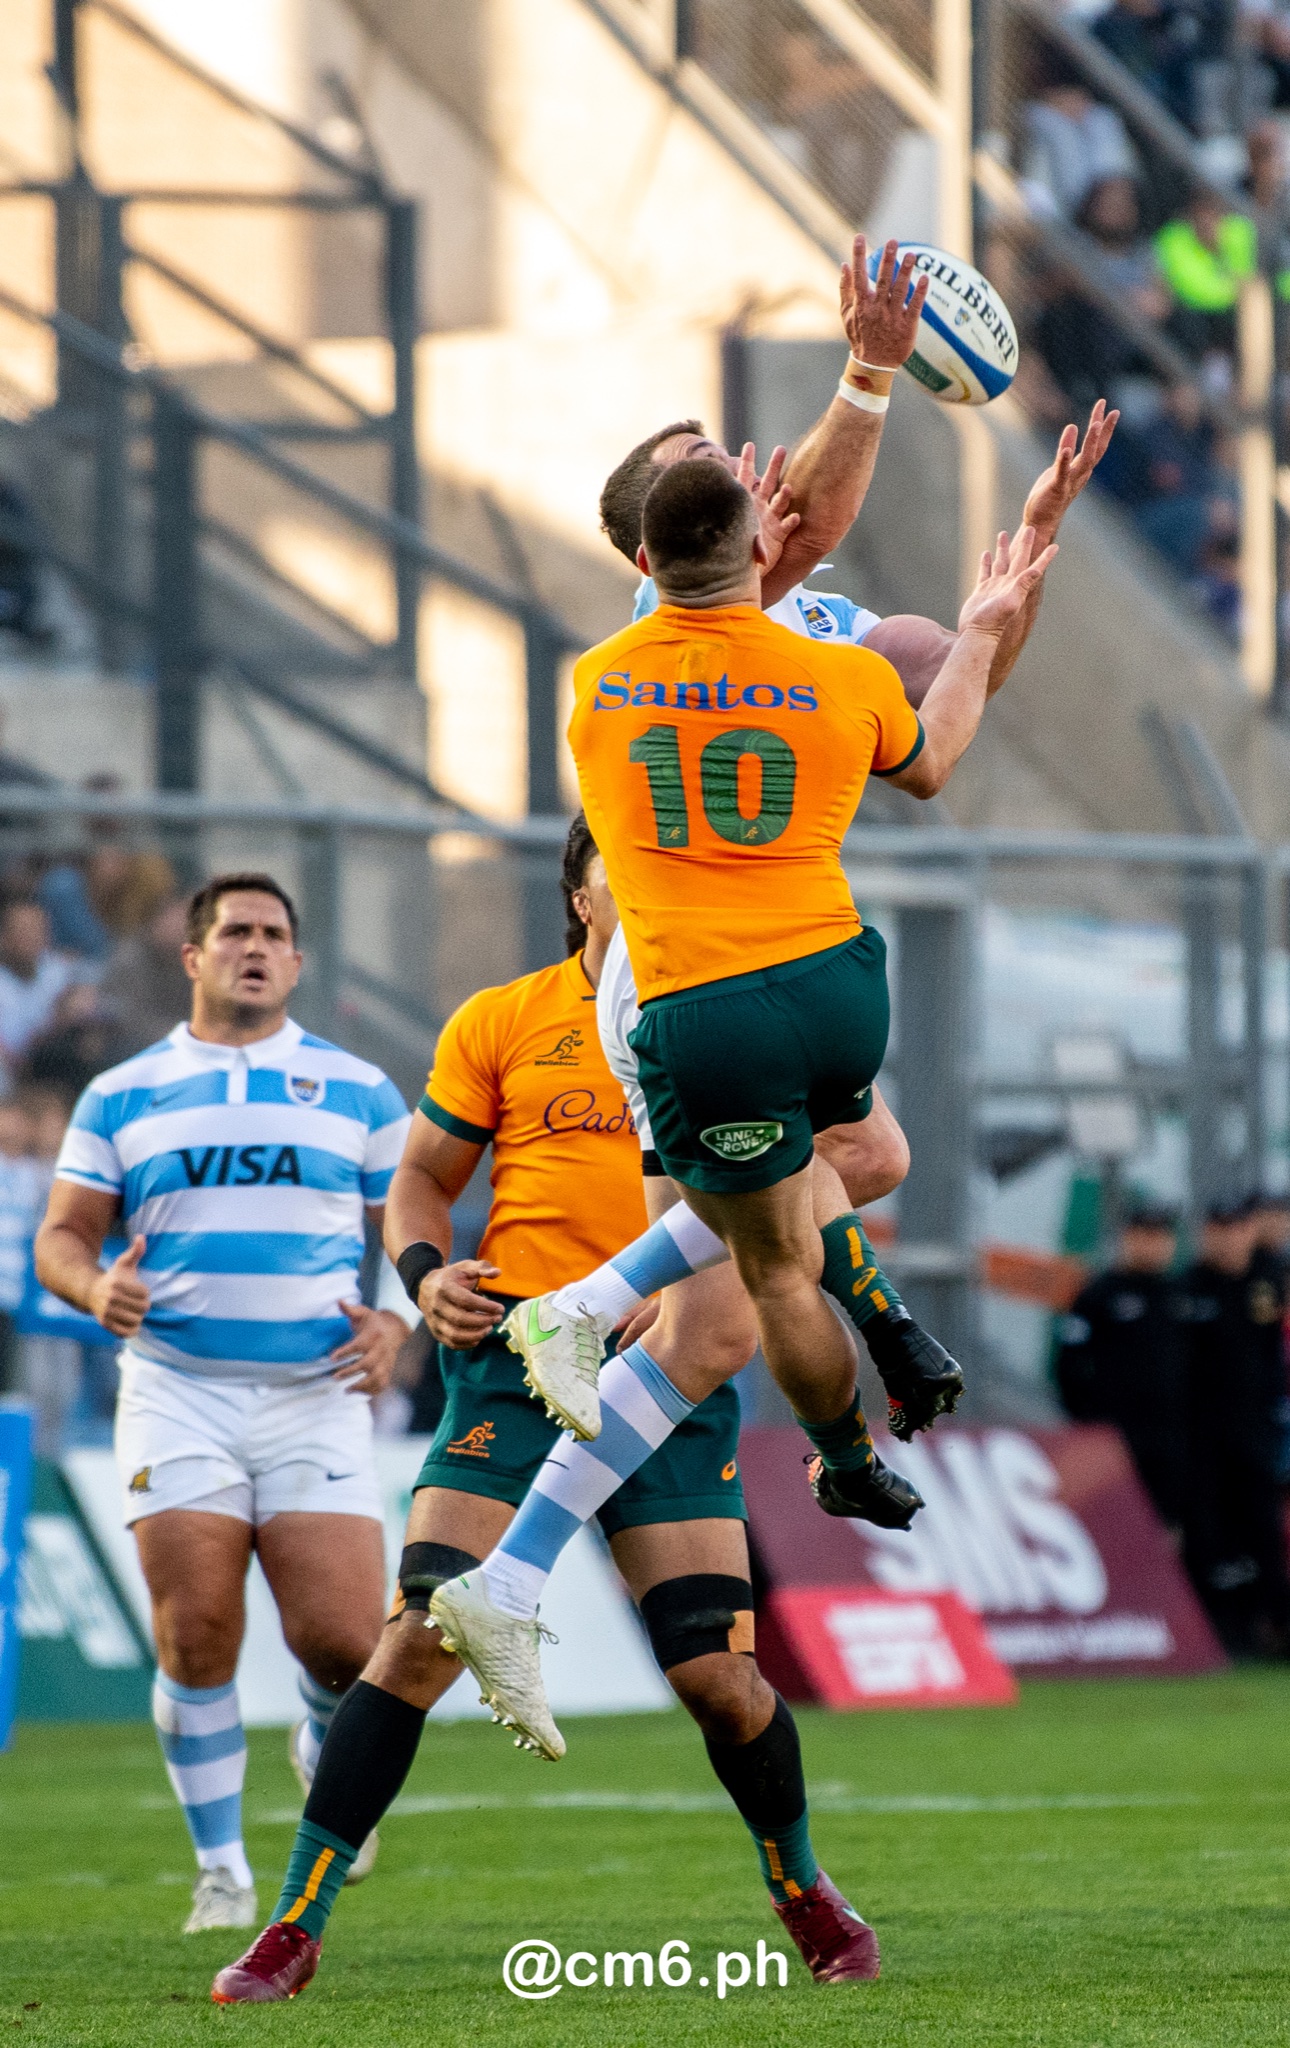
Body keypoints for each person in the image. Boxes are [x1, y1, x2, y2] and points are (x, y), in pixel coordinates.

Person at [426, 460, 1058, 1755]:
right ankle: (580, 1498)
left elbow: (736, 606)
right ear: (760, 539)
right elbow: (930, 739)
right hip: (717, 980)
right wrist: (874, 398)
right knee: (736, 1301)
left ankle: (565, 1407)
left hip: (708, 988)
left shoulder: (605, 679)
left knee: (846, 1176)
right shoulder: (819, 663)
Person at [210, 823, 882, 2004]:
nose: (653, 889)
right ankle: (292, 1924)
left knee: (718, 1677)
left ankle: (805, 1888)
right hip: (515, 1366)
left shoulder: (726, 1015)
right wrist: (425, 1274)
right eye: (625, 872)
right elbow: (422, 1178)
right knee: (420, 1636)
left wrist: (705, 1289)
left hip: (668, 1375)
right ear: (579, 897)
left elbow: (832, 1159)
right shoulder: (504, 1019)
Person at [33, 873, 418, 1932]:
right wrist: (92, 1286)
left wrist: (399, 1323)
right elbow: (62, 1237)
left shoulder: (361, 1090)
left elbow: (412, 1224)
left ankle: (320, 1737)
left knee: (345, 1645)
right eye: (235, 931)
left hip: (316, 1393)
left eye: (274, 933)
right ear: (193, 958)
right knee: (197, 1631)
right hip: (177, 1391)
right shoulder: (123, 1092)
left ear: (296, 961)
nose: (255, 946)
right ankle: (222, 1871)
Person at [1179, 1196, 1290, 1656]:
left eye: (1237, 1228)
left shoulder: (1268, 1281)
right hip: (1201, 1435)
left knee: (1263, 1528)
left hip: (1256, 1430)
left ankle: (1275, 1626)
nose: (1228, 1238)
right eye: (1219, 1228)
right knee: (1205, 1531)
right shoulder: (1187, 1287)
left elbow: (1272, 1354)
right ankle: (1212, 1631)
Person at [1055, 1200, 1189, 1530]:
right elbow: (1068, 1365)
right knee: (1113, 1524)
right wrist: (1090, 1422)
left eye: (1161, 1236)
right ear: (1127, 1237)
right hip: (1116, 1436)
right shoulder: (1099, 1295)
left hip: (1171, 1437)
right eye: (1145, 1234)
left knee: (1166, 1526)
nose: (1153, 1244)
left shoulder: (1181, 1295)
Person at [0, 895, 88, 1077]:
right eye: (23, 930)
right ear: (4, 937)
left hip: (56, 1065)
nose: (32, 937)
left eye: (38, 929)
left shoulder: (59, 970)